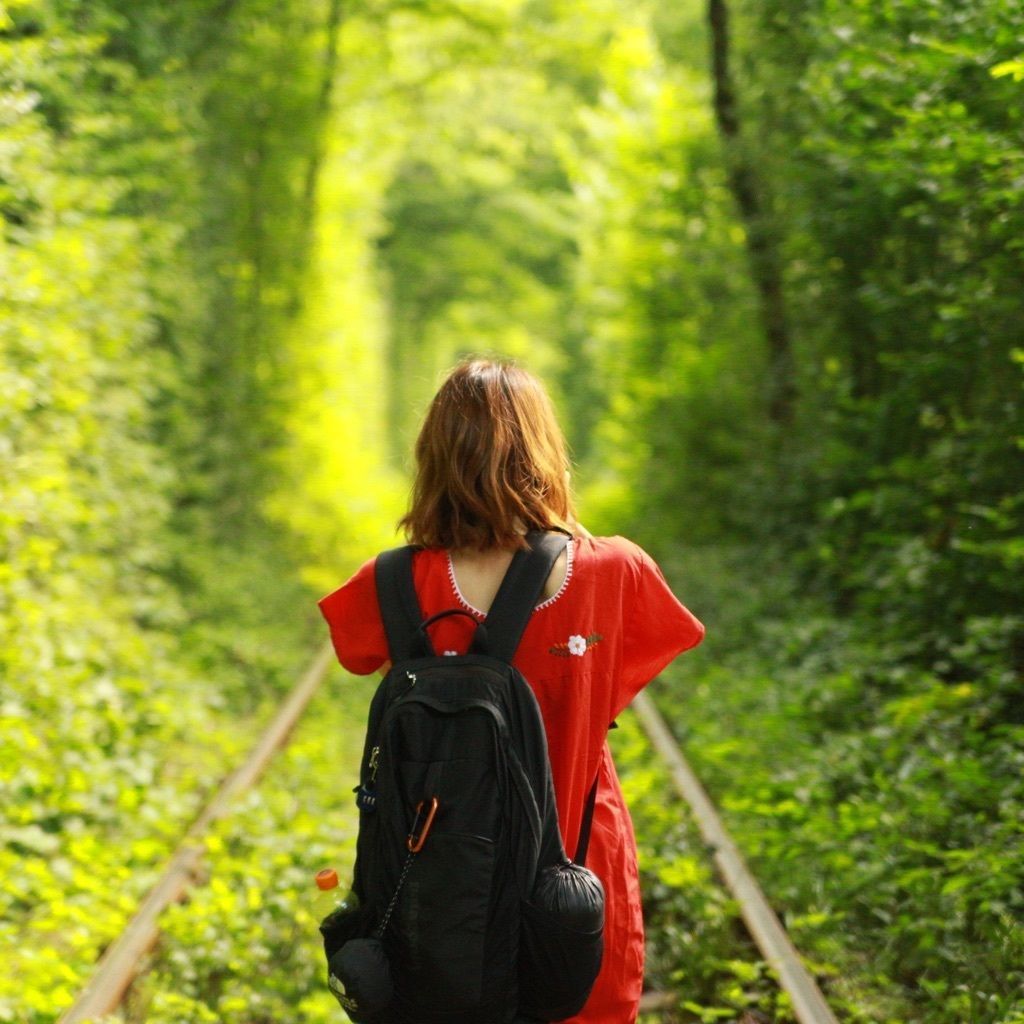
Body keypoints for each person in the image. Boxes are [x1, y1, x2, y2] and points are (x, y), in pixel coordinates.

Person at [318, 358, 704, 1024]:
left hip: (435, 888)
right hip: (573, 872)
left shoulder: (385, 583)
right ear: (544, 452)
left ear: (432, 457)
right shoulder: (614, 571)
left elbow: (358, 655)